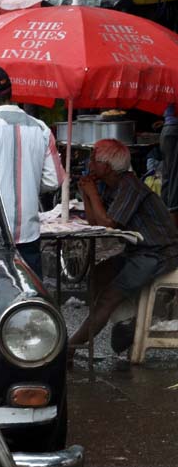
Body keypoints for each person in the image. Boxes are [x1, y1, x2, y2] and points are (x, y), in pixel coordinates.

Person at [69, 139, 178, 360]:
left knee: (108, 298)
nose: (89, 163)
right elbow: (96, 223)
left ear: (107, 166)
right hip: (137, 251)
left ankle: (70, 348)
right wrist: (88, 193)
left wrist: (93, 194)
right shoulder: (112, 186)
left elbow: (109, 224)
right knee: (97, 276)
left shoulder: (130, 185)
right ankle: (124, 321)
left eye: (93, 159)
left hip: (159, 253)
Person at [0, 67, 65, 278]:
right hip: (28, 235)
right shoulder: (40, 128)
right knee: (29, 297)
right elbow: (54, 180)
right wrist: (29, 183)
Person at [158, 104, 178, 227]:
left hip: (169, 127)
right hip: (174, 128)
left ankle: (165, 218)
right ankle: (172, 221)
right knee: (174, 177)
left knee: (169, 176)